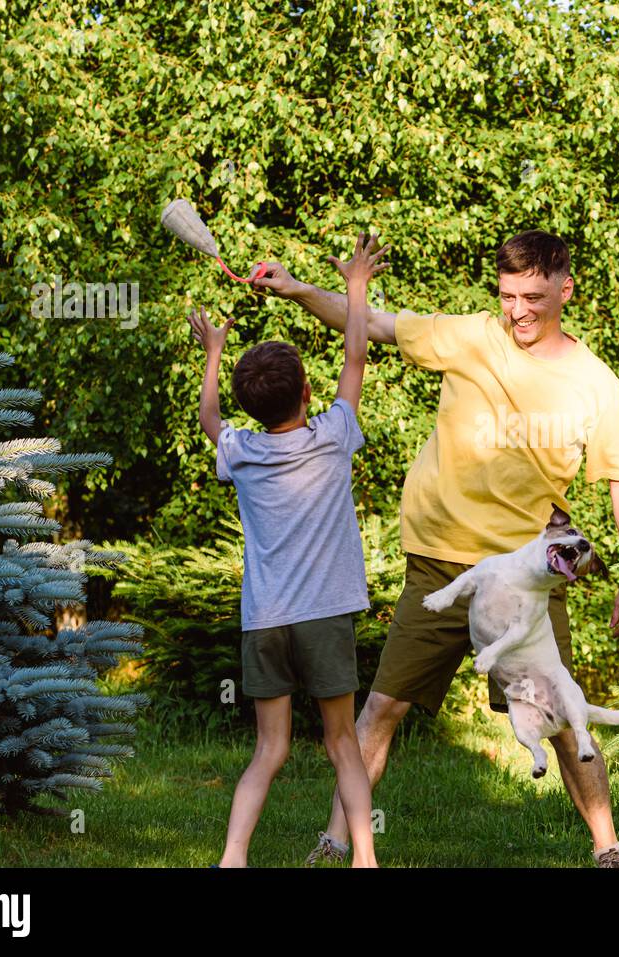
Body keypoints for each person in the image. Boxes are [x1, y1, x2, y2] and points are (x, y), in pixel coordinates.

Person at [254, 229, 619, 868]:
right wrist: (298, 288)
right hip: (440, 559)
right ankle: (334, 843)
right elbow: (375, 324)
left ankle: (608, 848)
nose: (518, 311)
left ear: (564, 290)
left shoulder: (596, 384)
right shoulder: (469, 336)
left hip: (528, 576)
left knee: (556, 710)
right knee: (382, 706)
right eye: (507, 296)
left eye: (532, 297)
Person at [190, 231, 390, 867]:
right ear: (308, 394)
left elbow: (210, 420)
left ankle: (233, 858)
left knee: (268, 751)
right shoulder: (333, 437)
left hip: (267, 620)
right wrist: (355, 285)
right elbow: (355, 359)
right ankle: (363, 859)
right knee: (341, 743)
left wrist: (214, 354)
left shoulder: (242, 453)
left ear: (255, 405)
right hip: (325, 614)